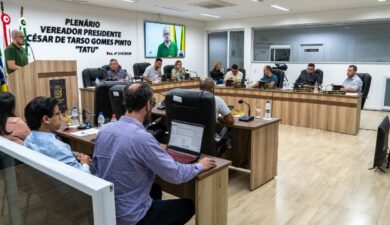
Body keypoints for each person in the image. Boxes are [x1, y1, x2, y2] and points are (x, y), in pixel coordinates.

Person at [92, 82, 216, 225]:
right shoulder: (143, 139)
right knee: (188, 205)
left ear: (125, 102)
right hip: (131, 217)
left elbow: (96, 168)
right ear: (148, 105)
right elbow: (175, 175)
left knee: (155, 189)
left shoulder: (105, 129)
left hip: (108, 209)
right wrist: (200, 166)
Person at [24, 97, 91, 173]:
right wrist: (85, 163)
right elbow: (83, 177)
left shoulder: (28, 139)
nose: (61, 117)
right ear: (46, 119)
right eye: (57, 114)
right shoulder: (59, 148)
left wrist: (70, 153)